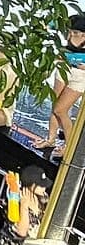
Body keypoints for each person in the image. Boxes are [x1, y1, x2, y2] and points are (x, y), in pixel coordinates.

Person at [40, 13, 85, 153]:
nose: (70, 36)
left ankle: (69, 147)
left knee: (60, 109)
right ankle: (50, 139)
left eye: (75, 33)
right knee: (55, 104)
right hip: (64, 69)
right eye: (69, 32)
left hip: (80, 77)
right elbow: (52, 22)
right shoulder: (75, 20)